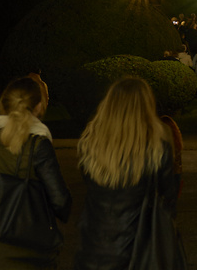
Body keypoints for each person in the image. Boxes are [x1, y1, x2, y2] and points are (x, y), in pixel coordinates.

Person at [0, 77, 72, 270]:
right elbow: (61, 203)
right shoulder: (38, 145)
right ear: (37, 107)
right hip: (33, 257)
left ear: (3, 105)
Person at [73, 77, 181, 270]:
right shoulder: (157, 150)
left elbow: (89, 183)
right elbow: (168, 198)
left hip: (94, 243)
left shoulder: (90, 147)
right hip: (139, 247)